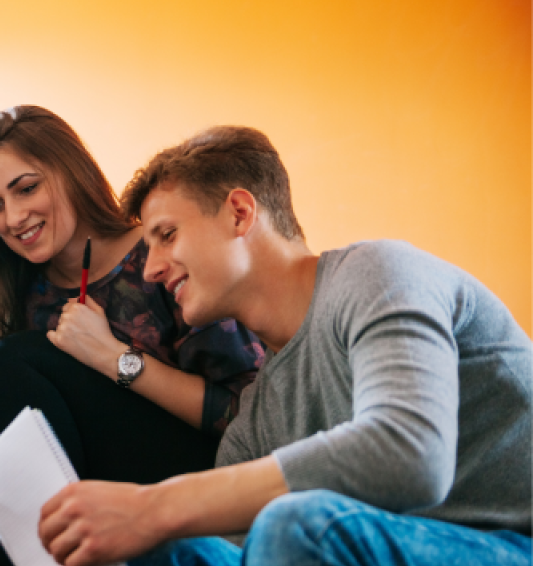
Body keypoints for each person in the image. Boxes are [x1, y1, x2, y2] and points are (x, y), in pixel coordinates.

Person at [36, 125, 532, 566]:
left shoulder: (377, 276)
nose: (150, 268)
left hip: (509, 541)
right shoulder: (256, 419)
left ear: (238, 212)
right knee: (166, 551)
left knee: (293, 525)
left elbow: (412, 455)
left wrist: (153, 506)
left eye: (167, 236)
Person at [0, 105, 263, 485]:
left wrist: (115, 359)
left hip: (202, 480)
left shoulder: (163, 255)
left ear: (71, 173)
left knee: (10, 359)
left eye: (27, 189)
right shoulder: (18, 293)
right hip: (91, 495)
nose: (13, 218)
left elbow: (247, 415)